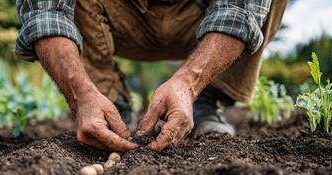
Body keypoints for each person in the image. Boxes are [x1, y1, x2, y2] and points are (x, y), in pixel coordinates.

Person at [15, 0, 288, 152]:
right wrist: (80, 95)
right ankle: (107, 103)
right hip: (116, 14)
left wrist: (188, 84)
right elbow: (45, 13)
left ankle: (210, 99)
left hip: (202, 15)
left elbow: (241, 10)